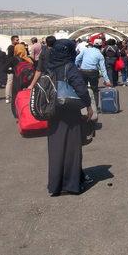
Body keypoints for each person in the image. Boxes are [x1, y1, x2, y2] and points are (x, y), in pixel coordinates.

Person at [45, 39, 93, 196]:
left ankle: (55, 185)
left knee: (56, 149)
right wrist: (88, 105)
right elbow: (80, 88)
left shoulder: (49, 66)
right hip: (70, 112)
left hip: (52, 112)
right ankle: (71, 184)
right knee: (72, 148)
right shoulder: (69, 67)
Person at [75, 39, 111, 109]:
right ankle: (95, 107)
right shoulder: (100, 55)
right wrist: (107, 80)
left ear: (93, 44)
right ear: (101, 46)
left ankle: (84, 105)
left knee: (83, 89)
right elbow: (103, 69)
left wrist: (79, 66)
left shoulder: (85, 50)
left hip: (83, 71)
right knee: (95, 90)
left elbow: (77, 59)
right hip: (93, 72)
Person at [5, 35, 20, 104]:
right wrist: (9, 67)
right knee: (10, 82)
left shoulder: (17, 47)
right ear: (12, 40)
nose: (18, 41)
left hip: (17, 67)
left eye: (18, 40)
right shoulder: (11, 48)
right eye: (16, 40)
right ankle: (7, 97)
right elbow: (9, 58)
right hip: (11, 67)